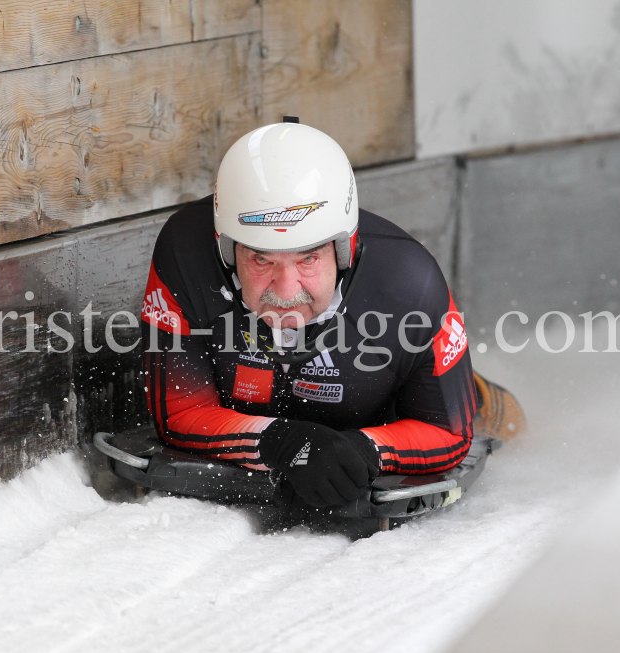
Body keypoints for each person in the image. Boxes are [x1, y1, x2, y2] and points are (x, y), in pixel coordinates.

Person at [140, 119, 525, 510]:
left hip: (390, 408)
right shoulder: (184, 255)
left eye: (308, 258)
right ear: (226, 251)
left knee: (512, 424)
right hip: (260, 405)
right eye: (260, 258)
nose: (285, 292)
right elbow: (182, 409)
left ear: (344, 250)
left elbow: (447, 430)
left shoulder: (410, 283)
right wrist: (282, 442)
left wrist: (365, 449)